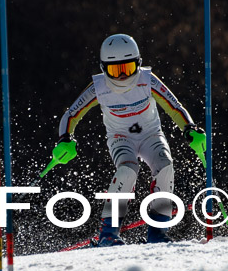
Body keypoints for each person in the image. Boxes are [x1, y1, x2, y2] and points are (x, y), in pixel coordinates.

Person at [50, 33, 206, 246]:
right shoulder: (100, 87)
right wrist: (65, 139)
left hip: (151, 134)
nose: (123, 76)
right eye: (116, 70)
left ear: (138, 64)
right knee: (127, 171)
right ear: (104, 68)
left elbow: (175, 106)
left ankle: (158, 232)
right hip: (121, 138)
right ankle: (109, 233)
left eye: (128, 68)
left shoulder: (146, 80)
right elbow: (71, 114)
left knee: (165, 167)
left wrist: (190, 128)